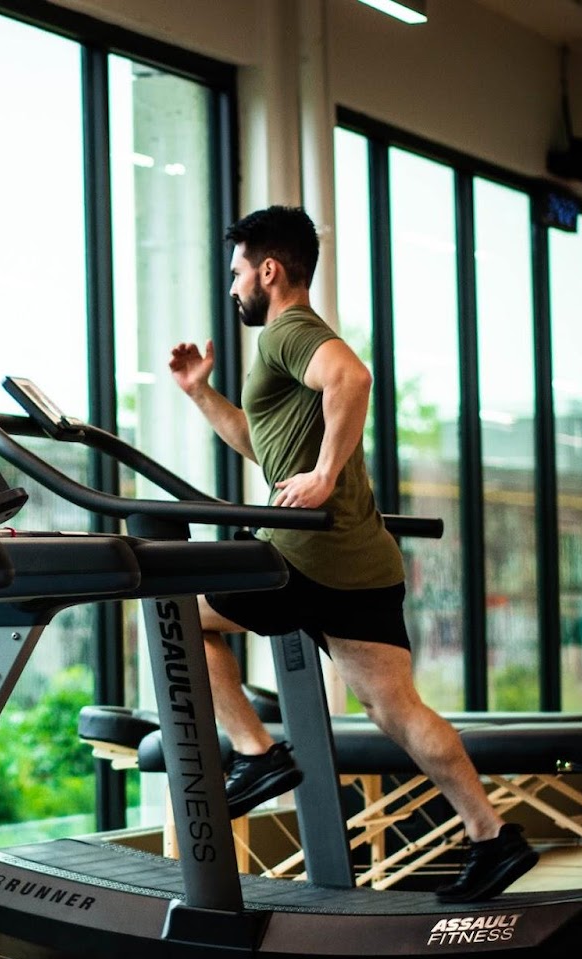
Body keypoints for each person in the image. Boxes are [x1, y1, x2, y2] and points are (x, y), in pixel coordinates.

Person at [168, 204, 537, 904]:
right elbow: (264, 445)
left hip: (304, 554)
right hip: (362, 560)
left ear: (267, 270)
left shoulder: (290, 332)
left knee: (177, 610)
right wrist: (201, 394)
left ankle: (257, 755)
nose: (233, 287)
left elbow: (354, 380)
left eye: (237, 272)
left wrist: (326, 476)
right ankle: (492, 836)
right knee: (397, 709)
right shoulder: (291, 344)